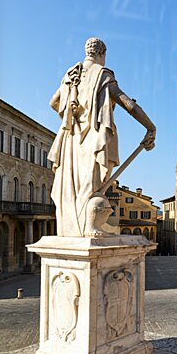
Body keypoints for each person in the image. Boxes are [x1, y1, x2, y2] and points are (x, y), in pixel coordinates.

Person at [48, 37, 156, 236]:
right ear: (101, 53)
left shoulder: (70, 76)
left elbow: (54, 102)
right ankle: (89, 227)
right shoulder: (103, 75)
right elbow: (128, 105)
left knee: (72, 188)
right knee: (92, 186)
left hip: (71, 140)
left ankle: (74, 230)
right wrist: (150, 127)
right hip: (93, 139)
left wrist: (73, 115)